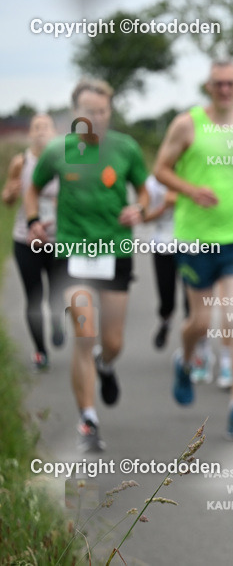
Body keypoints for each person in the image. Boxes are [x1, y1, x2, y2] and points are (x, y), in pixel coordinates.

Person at [25, 79, 149, 452]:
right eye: (87, 112)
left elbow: (144, 189)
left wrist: (138, 208)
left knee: (111, 342)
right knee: (85, 334)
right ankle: (88, 420)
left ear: (109, 112)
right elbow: (33, 187)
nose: (94, 118)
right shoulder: (58, 151)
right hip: (72, 253)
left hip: (114, 253)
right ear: (75, 113)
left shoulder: (125, 148)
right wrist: (33, 220)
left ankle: (106, 366)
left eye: (101, 112)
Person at [154, 60, 233, 440]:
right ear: (207, 86)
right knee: (201, 323)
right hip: (197, 237)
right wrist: (190, 190)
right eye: (218, 84)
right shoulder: (187, 124)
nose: (225, 90)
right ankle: (184, 360)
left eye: (231, 84)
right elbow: (161, 169)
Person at [3, 113, 62, 369]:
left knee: (57, 294)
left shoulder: (65, 160)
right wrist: (9, 193)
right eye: (36, 127)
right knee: (34, 297)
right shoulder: (20, 162)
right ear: (30, 133)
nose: (41, 131)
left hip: (58, 239)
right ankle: (41, 350)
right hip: (25, 239)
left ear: (54, 132)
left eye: (45, 127)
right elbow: (8, 199)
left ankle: (58, 323)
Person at [141, 173, 189, 351]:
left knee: (191, 300)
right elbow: (144, 218)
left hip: (191, 246)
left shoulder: (193, 175)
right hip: (163, 246)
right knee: (166, 297)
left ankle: (190, 343)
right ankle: (165, 322)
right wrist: (164, 207)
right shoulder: (153, 183)